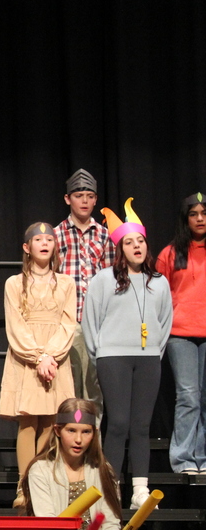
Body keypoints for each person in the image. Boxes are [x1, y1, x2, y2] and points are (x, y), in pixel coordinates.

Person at [83, 200, 172, 507]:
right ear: (120, 249)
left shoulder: (159, 283)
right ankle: (111, 488)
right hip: (113, 358)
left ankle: (140, 489)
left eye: (141, 241)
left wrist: (151, 351)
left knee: (141, 425)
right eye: (130, 242)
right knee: (118, 422)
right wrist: (102, 355)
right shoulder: (103, 280)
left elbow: (164, 322)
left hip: (147, 358)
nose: (137, 246)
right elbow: (90, 321)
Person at [22, 399, 156, 530]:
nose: (79, 439)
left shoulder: (103, 470)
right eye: (71, 431)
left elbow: (110, 519)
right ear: (58, 431)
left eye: (86, 432)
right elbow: (47, 520)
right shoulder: (40, 469)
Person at [0, 222, 77, 508]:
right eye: (38, 239)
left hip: (56, 359)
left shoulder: (66, 283)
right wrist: (38, 356)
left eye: (49, 239)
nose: (44, 243)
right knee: (28, 420)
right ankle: (24, 484)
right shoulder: (14, 283)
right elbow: (16, 325)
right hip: (26, 359)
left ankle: (41, 485)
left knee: (50, 421)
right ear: (27, 247)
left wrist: (51, 356)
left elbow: (69, 323)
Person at [54, 170, 114, 420]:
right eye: (79, 196)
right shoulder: (56, 235)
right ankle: (68, 451)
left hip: (97, 322)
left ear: (96, 199)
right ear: (68, 199)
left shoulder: (104, 235)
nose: (85, 201)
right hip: (66, 321)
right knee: (68, 389)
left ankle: (93, 451)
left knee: (93, 390)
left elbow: (112, 279)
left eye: (90, 196)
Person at [157, 191, 206, 474]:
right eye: (193, 213)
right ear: (185, 219)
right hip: (181, 334)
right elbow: (156, 295)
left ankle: (203, 457)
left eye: (203, 213)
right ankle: (184, 459)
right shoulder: (171, 253)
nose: (199, 218)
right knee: (188, 395)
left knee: (204, 397)